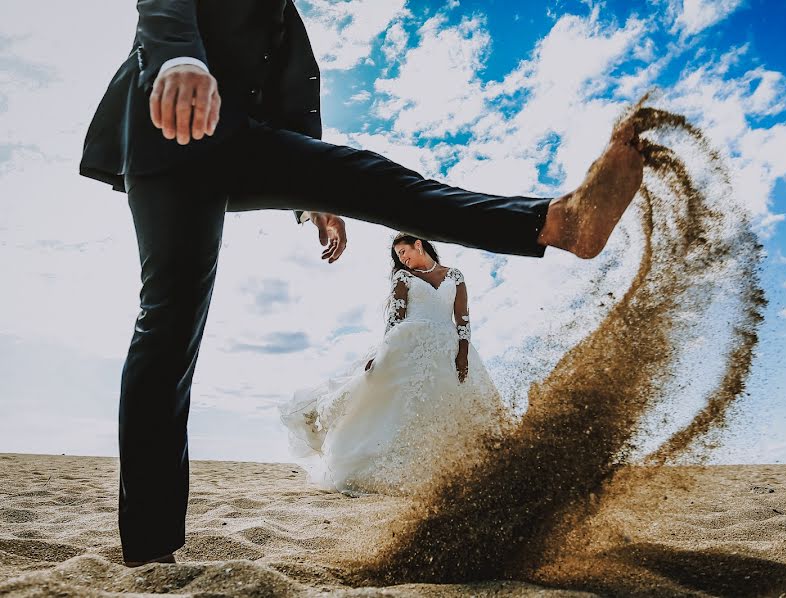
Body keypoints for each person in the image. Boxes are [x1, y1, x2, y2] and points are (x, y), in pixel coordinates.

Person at [80, 0, 644, 567]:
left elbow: (291, 104)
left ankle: (556, 223)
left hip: (243, 136)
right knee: (171, 324)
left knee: (379, 181)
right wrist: (179, 57)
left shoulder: (283, 17)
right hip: (169, 128)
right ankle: (151, 551)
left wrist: (315, 204)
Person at [280, 234, 511, 496]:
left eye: (404, 252)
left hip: (448, 346)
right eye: (398, 256)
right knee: (399, 403)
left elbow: (463, 318)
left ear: (419, 245)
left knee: (449, 403)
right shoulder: (403, 277)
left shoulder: (455, 275)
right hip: (407, 345)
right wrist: (383, 352)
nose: (402, 259)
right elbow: (394, 320)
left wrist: (463, 352)